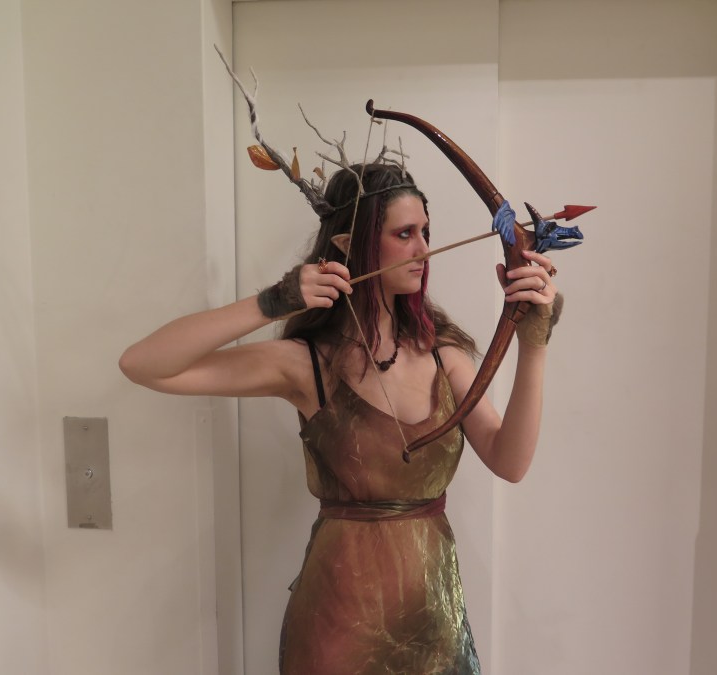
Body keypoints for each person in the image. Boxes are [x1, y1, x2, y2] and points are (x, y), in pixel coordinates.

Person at [119, 162, 560, 674]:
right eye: (404, 234)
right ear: (351, 246)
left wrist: (534, 343)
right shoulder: (309, 364)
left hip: (432, 626)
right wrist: (271, 303)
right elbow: (144, 364)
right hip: (338, 628)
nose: (423, 250)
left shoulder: (443, 356)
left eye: (426, 232)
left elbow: (511, 461)